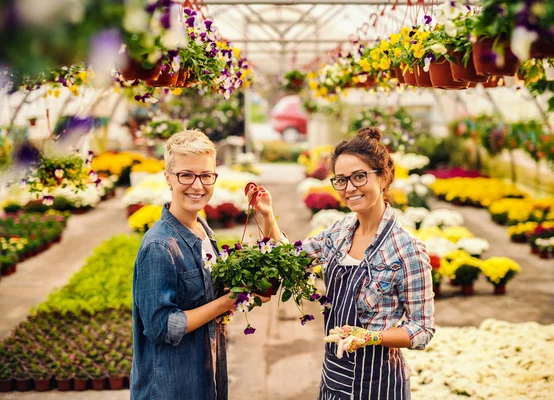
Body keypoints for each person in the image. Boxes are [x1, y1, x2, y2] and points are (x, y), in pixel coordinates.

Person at [246, 127, 435, 399]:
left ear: (383, 178)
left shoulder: (406, 250)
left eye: (359, 177)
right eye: (341, 180)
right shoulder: (339, 232)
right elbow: (291, 261)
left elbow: (422, 329)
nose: (349, 188)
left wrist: (370, 337)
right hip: (333, 375)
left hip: (378, 384)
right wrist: (267, 215)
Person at [131, 130, 269, 400]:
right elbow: (162, 327)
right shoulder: (159, 246)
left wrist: (245, 290)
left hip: (206, 379)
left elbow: (207, 298)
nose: (198, 185)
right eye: (186, 175)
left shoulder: (203, 231)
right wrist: (225, 303)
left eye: (206, 175)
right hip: (171, 388)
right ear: (168, 178)